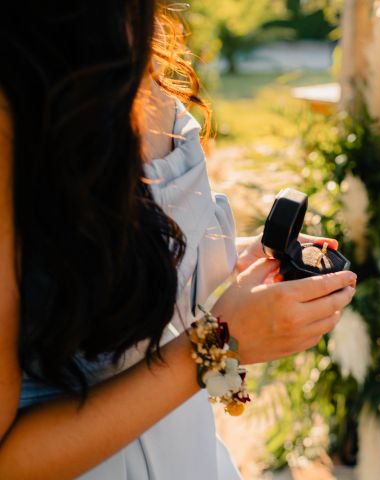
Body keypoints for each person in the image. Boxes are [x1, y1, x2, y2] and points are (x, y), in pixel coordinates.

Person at [0, 1, 356, 478]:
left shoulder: (130, 36)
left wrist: (231, 263)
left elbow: (116, 251)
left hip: (191, 455)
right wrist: (216, 346)